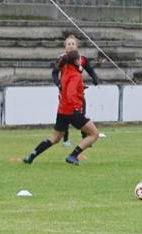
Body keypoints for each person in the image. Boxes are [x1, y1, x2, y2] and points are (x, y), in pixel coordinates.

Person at [24, 37, 100, 165]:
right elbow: (70, 92)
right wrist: (76, 108)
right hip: (72, 110)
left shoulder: (66, 72)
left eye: (72, 44)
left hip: (62, 109)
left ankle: (32, 154)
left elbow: (68, 86)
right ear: (76, 61)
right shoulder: (74, 75)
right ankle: (73, 155)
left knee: (55, 138)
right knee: (94, 134)